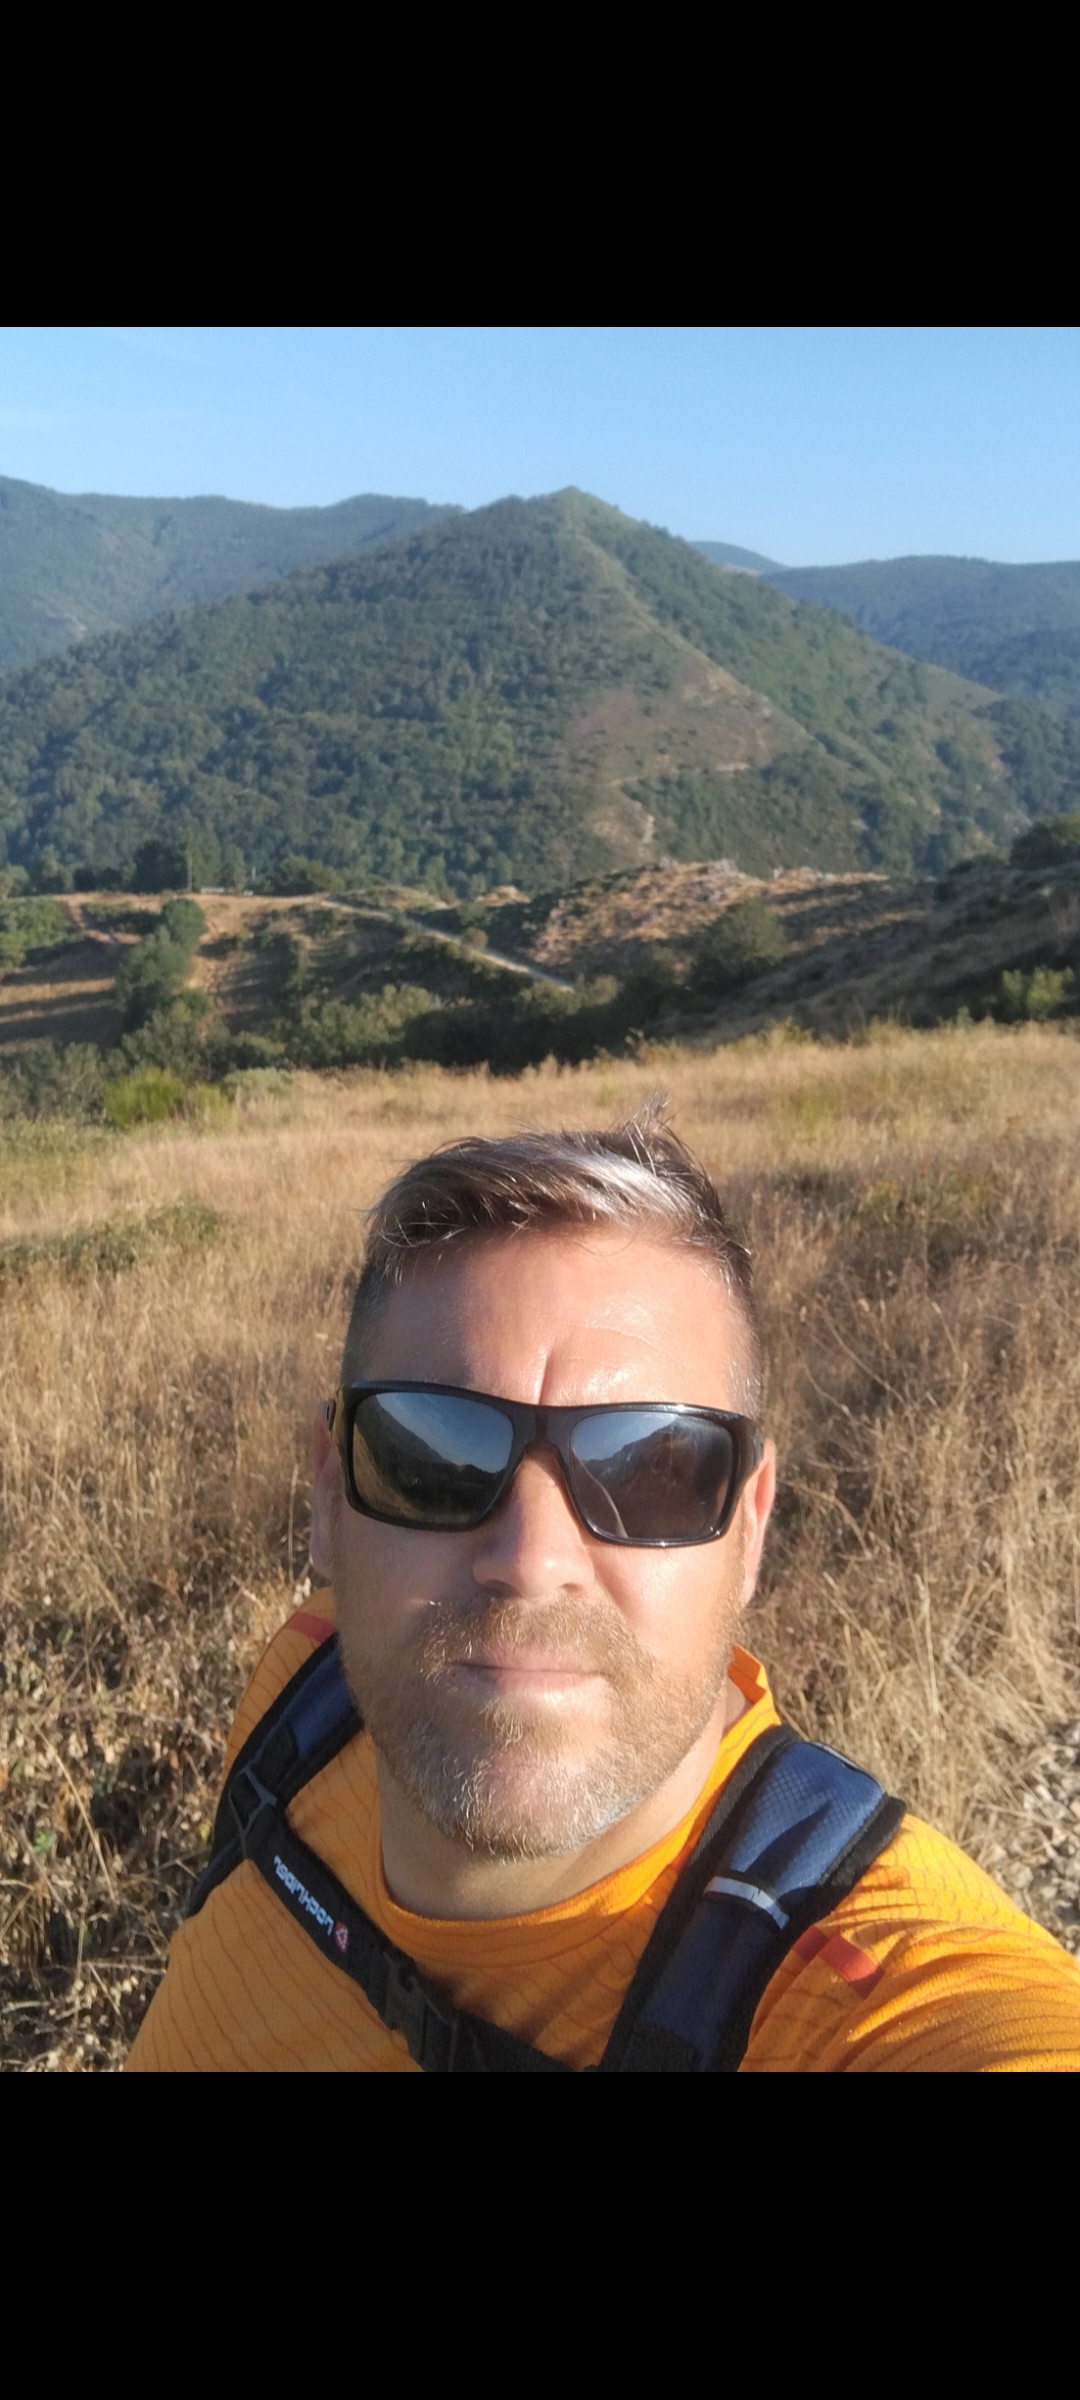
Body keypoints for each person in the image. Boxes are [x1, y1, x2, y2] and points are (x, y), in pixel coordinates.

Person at [128, 1108, 1080, 2071]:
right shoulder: (303, 1693)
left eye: (652, 1470)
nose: (533, 1559)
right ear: (331, 1494)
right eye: (435, 1457)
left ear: (750, 1525)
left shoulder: (868, 1994)